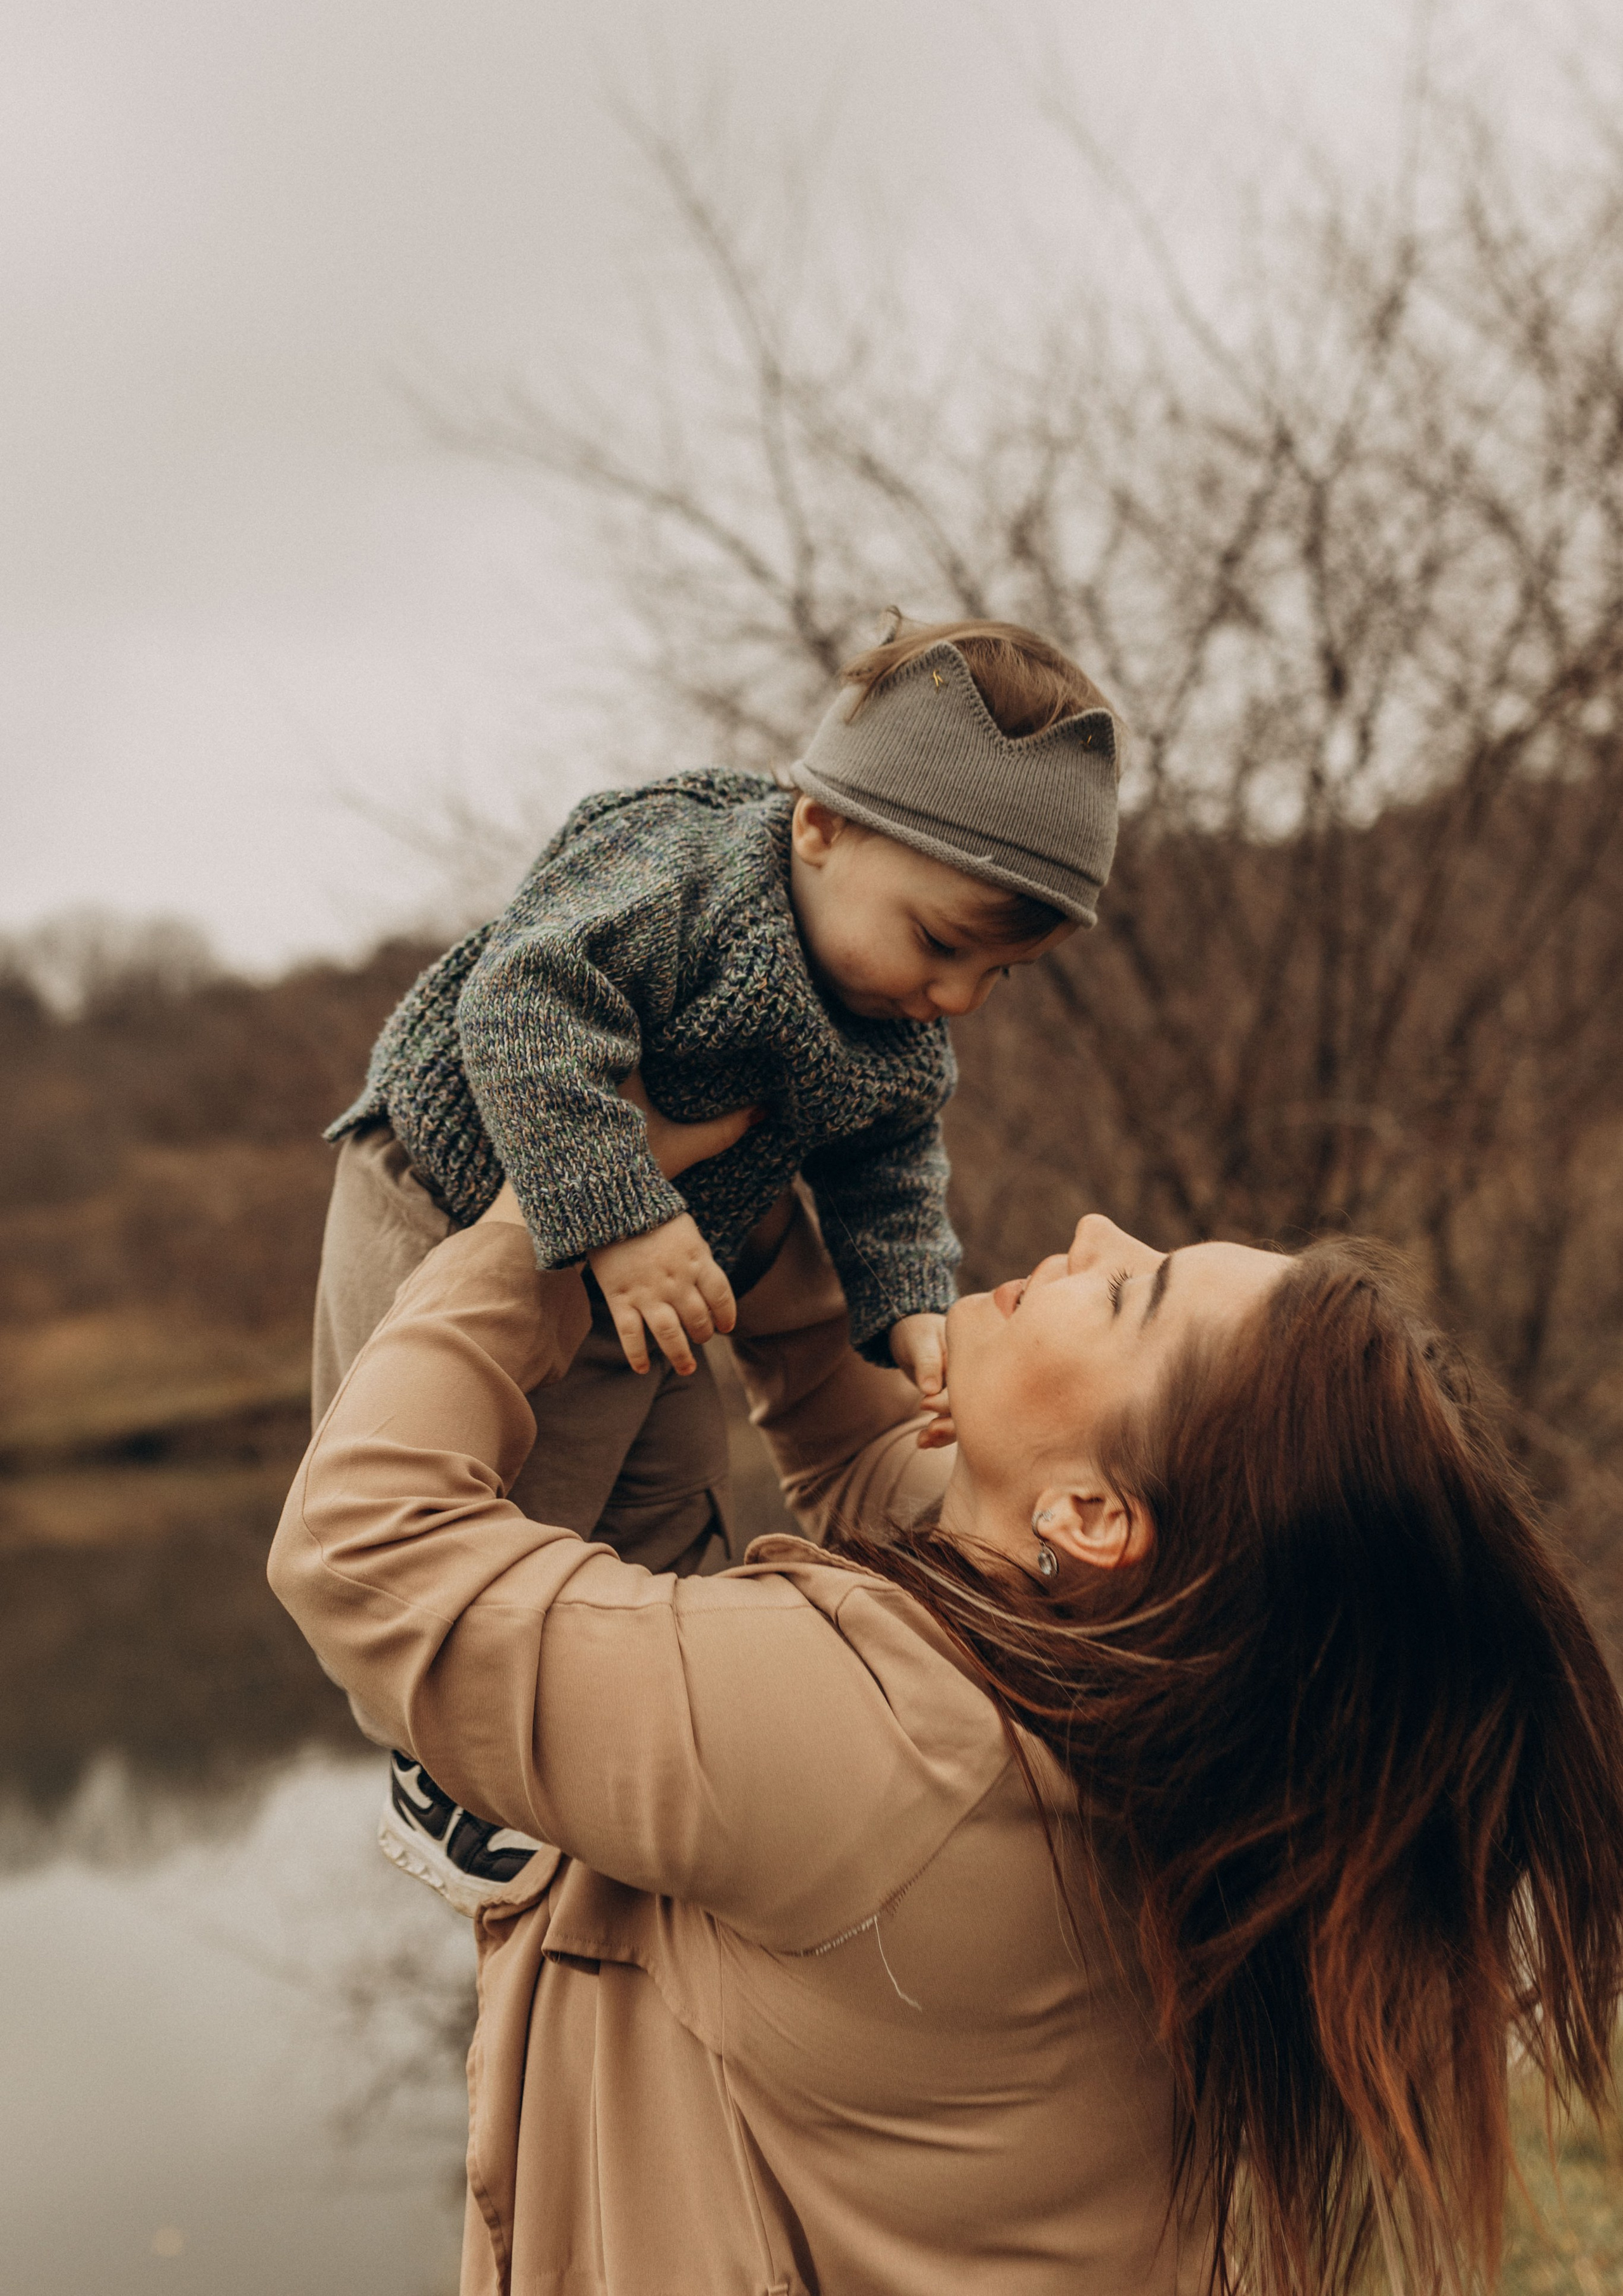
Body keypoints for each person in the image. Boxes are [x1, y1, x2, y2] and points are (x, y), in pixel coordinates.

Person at [270, 1098, 1623, 2296]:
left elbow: (365, 1547)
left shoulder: (877, 1744)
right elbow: (866, 1445)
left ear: (1093, 1513)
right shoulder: (1137, 1679)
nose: (1093, 1232)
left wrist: (556, 1199)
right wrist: (750, 1217)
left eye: (1129, 1296)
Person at [312, 614, 1120, 1904]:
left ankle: (651, 1722)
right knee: (524, 1479)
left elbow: (887, 1170)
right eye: (941, 944)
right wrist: (616, 1213)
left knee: (678, 1473)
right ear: (821, 830)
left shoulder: (893, 1028)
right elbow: (516, 1003)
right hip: (457, 1189)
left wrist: (911, 1314)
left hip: (675, 1251)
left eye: (1000, 975)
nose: (958, 999)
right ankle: (442, 1767)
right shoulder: (680, 872)